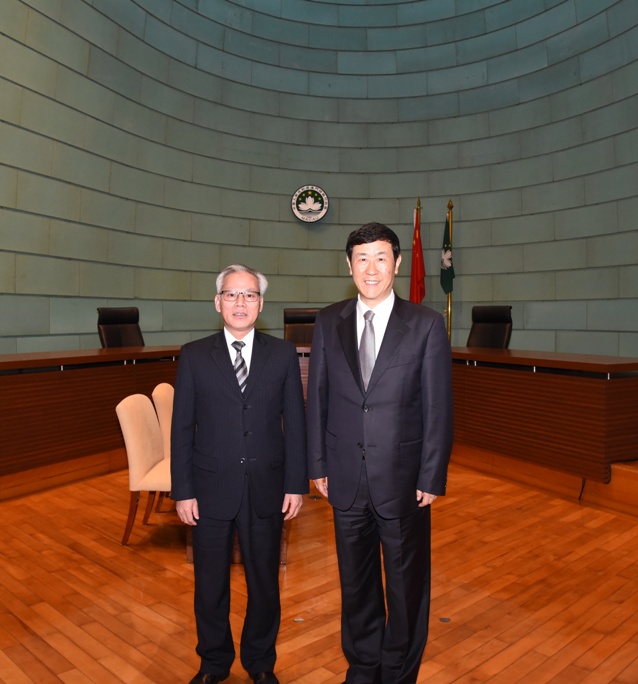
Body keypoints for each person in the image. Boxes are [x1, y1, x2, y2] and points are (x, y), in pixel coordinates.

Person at [306, 222, 454, 684]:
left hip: (404, 480)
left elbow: (438, 407)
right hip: (345, 478)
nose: (371, 268)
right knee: (356, 584)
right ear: (348, 265)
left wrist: (431, 476)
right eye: (362, 258)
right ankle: (364, 666)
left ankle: (398, 672)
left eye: (381, 257)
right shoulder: (328, 321)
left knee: (406, 587)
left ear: (397, 263)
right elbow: (319, 400)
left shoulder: (426, 324)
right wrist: (318, 464)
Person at [171, 264, 308, 684]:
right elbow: (181, 428)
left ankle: (260, 663)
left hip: (267, 488)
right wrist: (183, 490)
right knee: (210, 587)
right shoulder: (194, 355)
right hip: (209, 490)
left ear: (261, 304)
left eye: (249, 295)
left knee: (265, 585)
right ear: (217, 303)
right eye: (231, 295)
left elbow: (296, 424)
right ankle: (213, 664)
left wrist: (295, 484)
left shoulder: (283, 354)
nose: (240, 303)